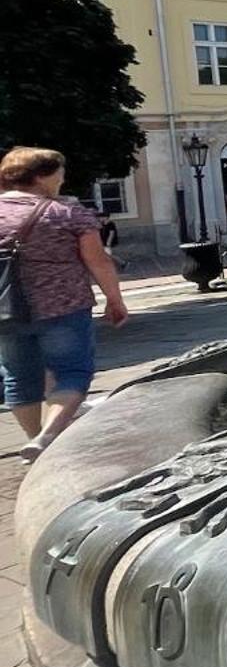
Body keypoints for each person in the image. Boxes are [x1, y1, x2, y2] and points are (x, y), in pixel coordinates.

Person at [0, 147, 128, 464]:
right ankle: (47, 436)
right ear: (41, 175)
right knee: (72, 372)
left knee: (17, 377)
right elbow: (98, 262)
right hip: (63, 308)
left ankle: (34, 443)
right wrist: (115, 300)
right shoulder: (67, 214)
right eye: (59, 171)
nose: (63, 177)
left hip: (5, 310)